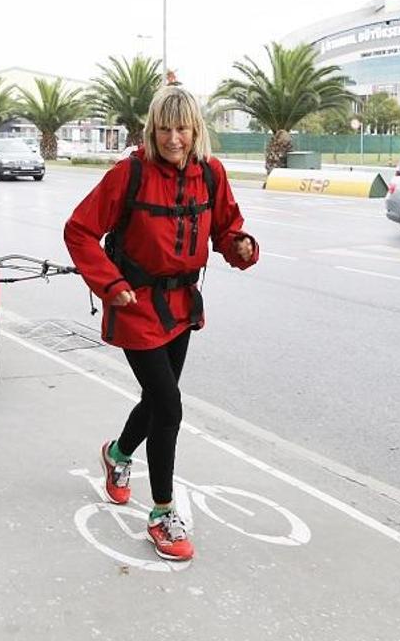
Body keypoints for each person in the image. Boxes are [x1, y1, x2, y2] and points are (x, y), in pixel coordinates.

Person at [64, 85, 257, 561]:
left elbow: (226, 227)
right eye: (165, 129)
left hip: (182, 305)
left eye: (183, 128)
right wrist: (110, 284)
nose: (174, 138)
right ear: (152, 130)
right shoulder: (129, 174)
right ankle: (163, 514)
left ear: (196, 130)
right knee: (169, 407)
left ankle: (117, 455)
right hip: (136, 306)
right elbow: (80, 230)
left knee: (157, 400)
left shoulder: (210, 174)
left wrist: (240, 245)